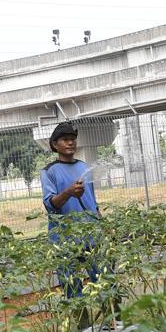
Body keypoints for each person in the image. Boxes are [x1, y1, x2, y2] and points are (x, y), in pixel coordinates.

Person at [40, 122, 102, 298]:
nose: (70, 143)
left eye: (73, 139)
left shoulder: (84, 167)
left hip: (91, 233)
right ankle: (83, 323)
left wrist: (101, 222)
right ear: (54, 145)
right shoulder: (49, 172)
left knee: (104, 279)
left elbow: (92, 200)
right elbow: (50, 204)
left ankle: (115, 321)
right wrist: (68, 192)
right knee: (71, 285)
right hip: (64, 237)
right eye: (65, 140)